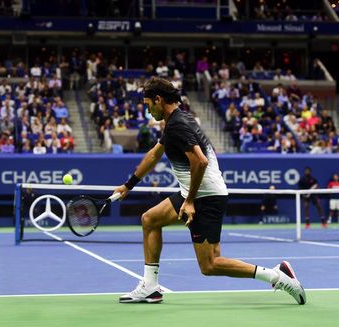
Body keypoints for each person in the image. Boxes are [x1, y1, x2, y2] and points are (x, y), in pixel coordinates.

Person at [113, 77, 305, 305]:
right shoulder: (175, 121)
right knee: (150, 219)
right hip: (195, 193)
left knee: (210, 265)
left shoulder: (178, 125)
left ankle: (277, 276)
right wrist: (129, 185)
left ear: (158, 99)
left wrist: (191, 201)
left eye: (148, 104)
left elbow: (200, 162)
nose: (147, 109)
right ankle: (150, 287)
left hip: (205, 197)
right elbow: (155, 155)